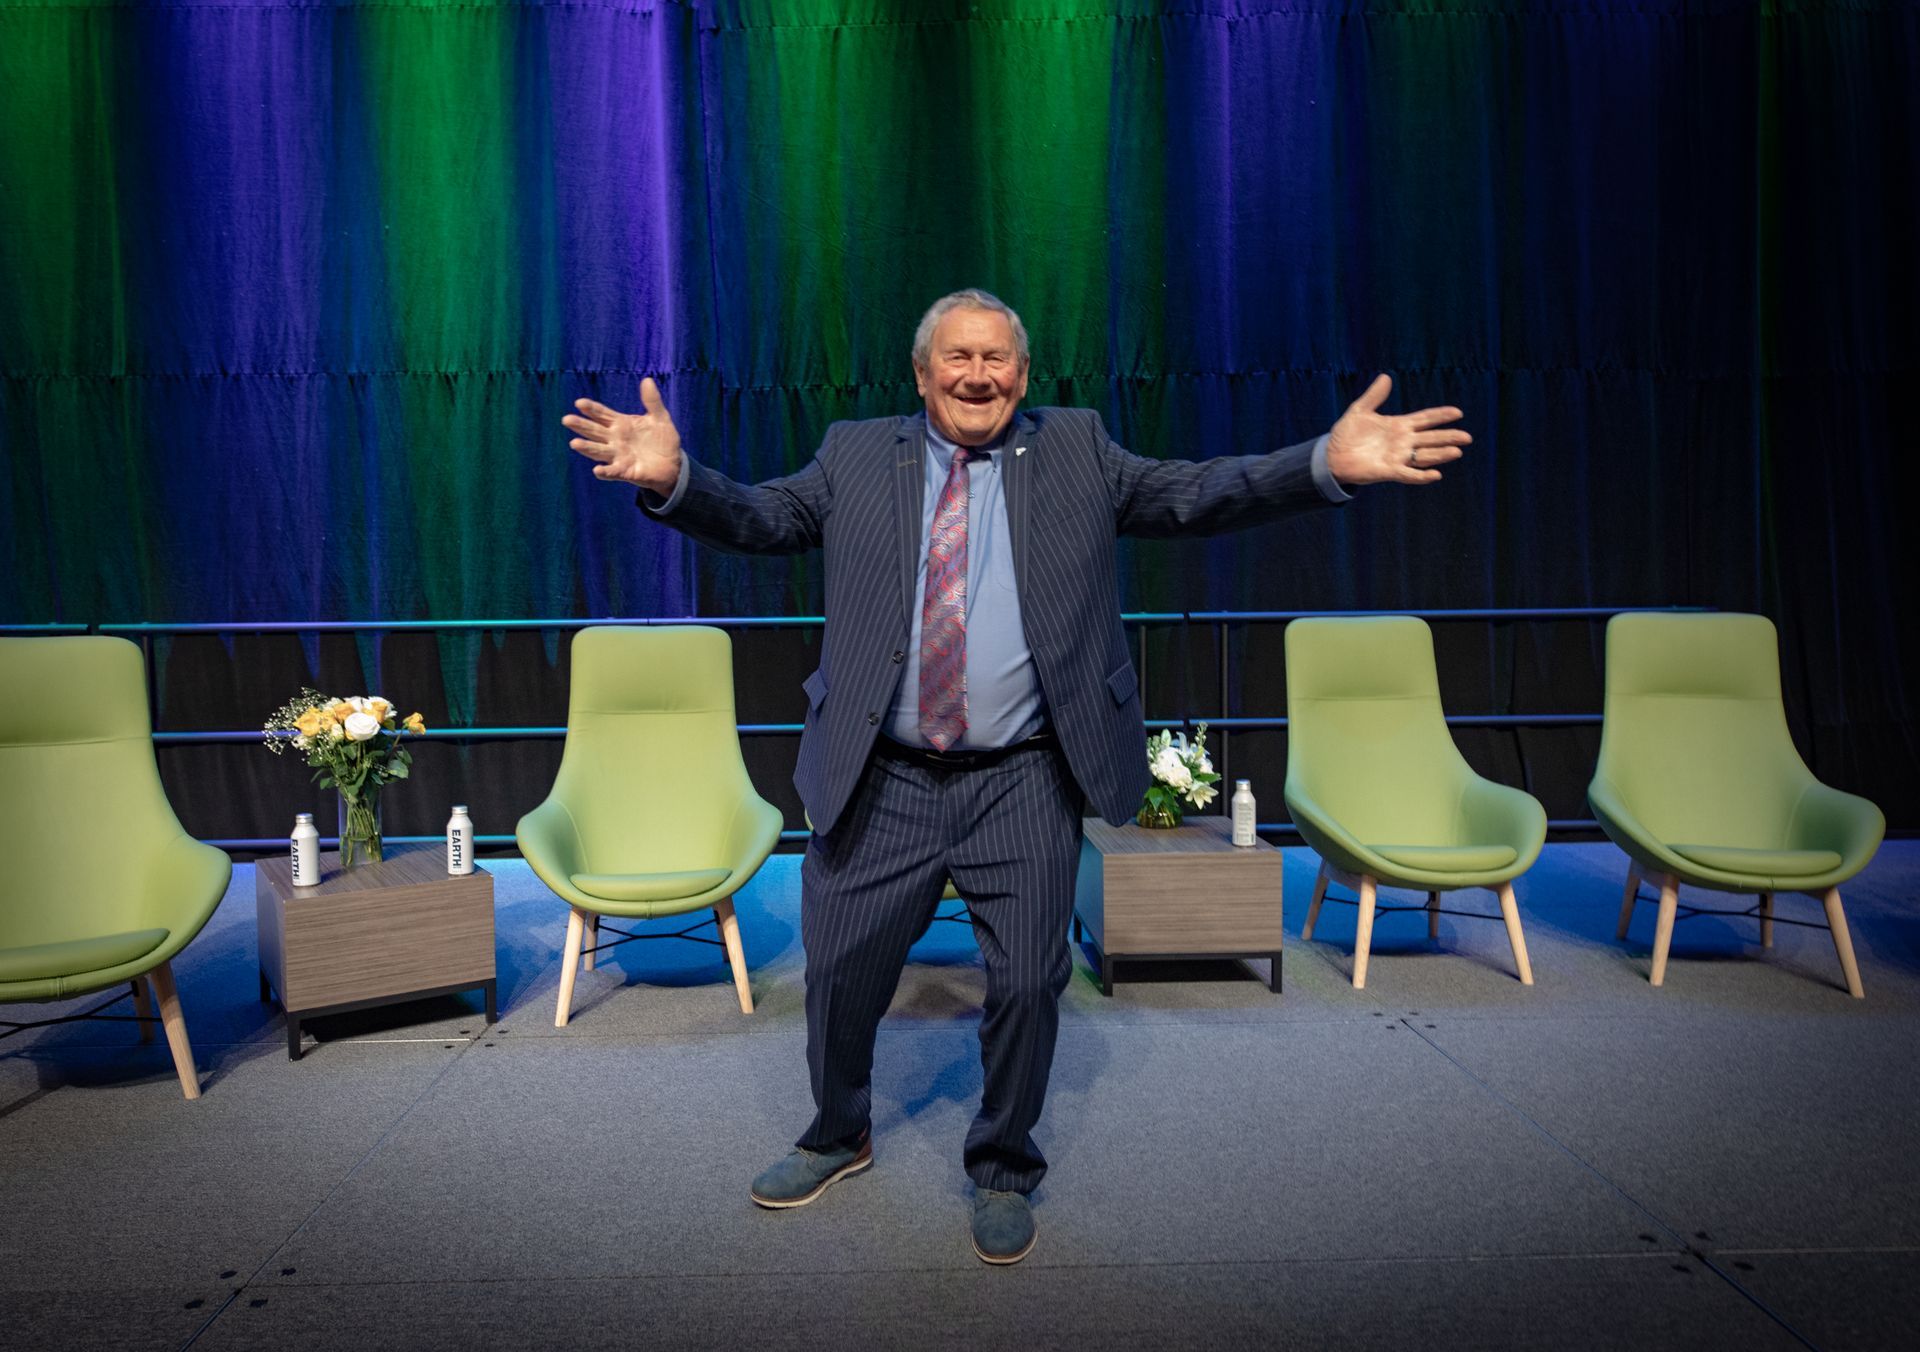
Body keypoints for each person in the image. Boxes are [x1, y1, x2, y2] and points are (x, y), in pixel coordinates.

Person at [562, 289, 1467, 1264]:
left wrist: (1323, 464)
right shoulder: (858, 453)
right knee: (836, 973)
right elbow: (763, 517)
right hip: (884, 776)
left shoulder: (1077, 449)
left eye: (997, 358)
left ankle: (1001, 1163)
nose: (977, 374)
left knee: (1032, 980)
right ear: (923, 373)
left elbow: (1201, 491)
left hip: (1025, 775)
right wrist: (678, 478)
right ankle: (837, 1129)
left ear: (1024, 376)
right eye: (958, 357)